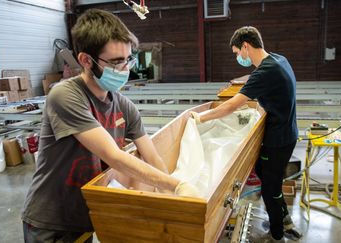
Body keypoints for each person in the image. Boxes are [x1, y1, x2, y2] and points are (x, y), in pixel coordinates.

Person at [21, 9, 199, 242]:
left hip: (88, 215)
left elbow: (152, 156)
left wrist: (171, 198)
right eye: (116, 62)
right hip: (51, 220)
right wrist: (178, 185)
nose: (125, 69)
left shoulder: (124, 107)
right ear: (86, 60)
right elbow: (113, 156)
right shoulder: (65, 95)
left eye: (128, 60)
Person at [191, 26, 301, 243]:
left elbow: (231, 106)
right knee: (261, 169)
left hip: (278, 140)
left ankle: (278, 232)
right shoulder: (279, 60)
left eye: (236, 52)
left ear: (246, 46)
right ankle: (282, 217)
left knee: (271, 188)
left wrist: (200, 118)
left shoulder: (264, 72)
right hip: (288, 132)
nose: (237, 57)